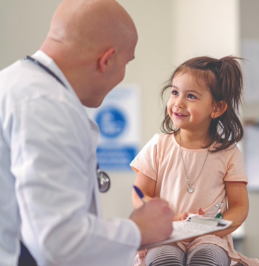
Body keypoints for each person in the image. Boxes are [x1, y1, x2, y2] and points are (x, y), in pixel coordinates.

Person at [0, 0, 174, 265]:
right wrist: (139, 230)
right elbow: (58, 241)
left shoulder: (14, 84)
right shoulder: (47, 106)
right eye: (126, 62)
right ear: (106, 60)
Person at [131, 56, 259, 266]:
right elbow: (139, 195)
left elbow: (239, 206)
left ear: (217, 109)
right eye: (175, 92)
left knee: (207, 258)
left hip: (210, 237)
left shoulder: (229, 153)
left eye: (191, 96)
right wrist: (167, 218)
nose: (178, 103)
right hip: (166, 232)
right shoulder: (158, 146)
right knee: (164, 258)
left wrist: (214, 226)